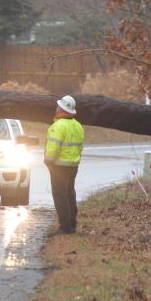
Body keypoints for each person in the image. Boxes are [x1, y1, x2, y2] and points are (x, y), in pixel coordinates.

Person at [45, 95, 85, 233]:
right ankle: (72, 224)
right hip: (73, 166)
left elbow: (53, 149)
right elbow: (80, 148)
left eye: (58, 106)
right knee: (69, 194)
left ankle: (65, 227)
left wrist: (48, 161)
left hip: (59, 167)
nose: (56, 108)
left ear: (62, 109)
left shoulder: (58, 126)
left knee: (60, 196)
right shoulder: (78, 126)